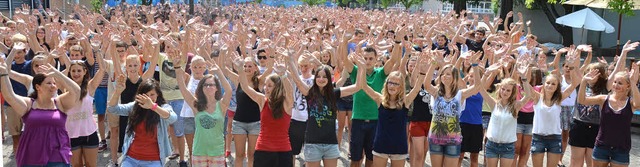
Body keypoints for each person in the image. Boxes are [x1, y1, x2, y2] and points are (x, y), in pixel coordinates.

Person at [0, 51, 81, 166]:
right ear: (38, 87)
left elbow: (76, 91)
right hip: (31, 156)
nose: (53, 86)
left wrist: (57, 74)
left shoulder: (60, 102)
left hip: (57, 156)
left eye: (54, 83)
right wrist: (3, 73)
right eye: (49, 83)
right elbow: (9, 96)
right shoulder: (28, 104)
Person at [290, 58, 363, 167]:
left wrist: (362, 68)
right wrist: (290, 59)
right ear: (315, 79)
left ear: (329, 79)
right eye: (318, 76)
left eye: (324, 77)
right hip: (312, 144)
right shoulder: (310, 93)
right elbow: (296, 79)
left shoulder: (335, 93)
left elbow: (358, 86)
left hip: (331, 144)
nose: (321, 79)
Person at [359, 54, 428, 167]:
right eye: (390, 82)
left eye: (396, 83)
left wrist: (422, 73)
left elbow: (416, 89)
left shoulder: (405, 101)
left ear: (401, 86)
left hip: (399, 146)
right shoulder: (379, 99)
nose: (392, 86)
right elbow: (364, 86)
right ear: (386, 84)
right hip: (381, 144)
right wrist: (362, 68)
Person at [235, 54, 294, 167]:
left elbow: (290, 92)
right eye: (265, 85)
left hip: (283, 150)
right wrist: (240, 69)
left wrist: (283, 75)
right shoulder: (263, 101)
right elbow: (246, 88)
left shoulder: (286, 103)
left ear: (277, 87)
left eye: (270, 86)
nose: (266, 88)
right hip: (263, 149)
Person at [522, 58, 580, 167]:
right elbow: (527, 88)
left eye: (553, 84)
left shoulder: (559, 98)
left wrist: (572, 67)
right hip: (538, 137)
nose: (550, 85)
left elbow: (574, 84)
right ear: (544, 84)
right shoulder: (537, 97)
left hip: (555, 138)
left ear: (557, 87)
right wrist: (526, 73)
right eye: (548, 83)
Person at [175, 58, 233, 166]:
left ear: (217, 88)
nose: (209, 87)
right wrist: (177, 68)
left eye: (212, 85)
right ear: (201, 88)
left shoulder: (222, 105)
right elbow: (183, 89)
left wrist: (219, 72)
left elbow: (229, 90)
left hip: (217, 152)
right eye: (206, 85)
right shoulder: (197, 105)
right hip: (199, 152)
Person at [107, 78, 177, 166]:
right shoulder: (135, 107)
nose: (149, 98)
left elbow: (173, 118)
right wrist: (117, 92)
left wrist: (153, 107)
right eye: (146, 95)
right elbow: (112, 109)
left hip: (153, 160)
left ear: (158, 94)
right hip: (131, 158)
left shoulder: (163, 107)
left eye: (152, 95)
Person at [64, 54, 106, 167]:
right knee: (76, 165)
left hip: (89, 133)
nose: (76, 74)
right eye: (73, 71)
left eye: (79, 70)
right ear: (69, 72)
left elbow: (102, 69)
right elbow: (52, 75)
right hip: (71, 134)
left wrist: (97, 51)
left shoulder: (90, 86)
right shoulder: (64, 87)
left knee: (90, 165)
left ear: (84, 72)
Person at [570, 63, 608, 167]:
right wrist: (572, 64)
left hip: (596, 127)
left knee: (591, 162)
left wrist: (623, 55)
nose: (591, 74)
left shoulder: (605, 87)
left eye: (595, 72)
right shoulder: (581, 84)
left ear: (600, 75)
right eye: (589, 71)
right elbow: (573, 74)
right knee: (575, 161)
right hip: (579, 125)